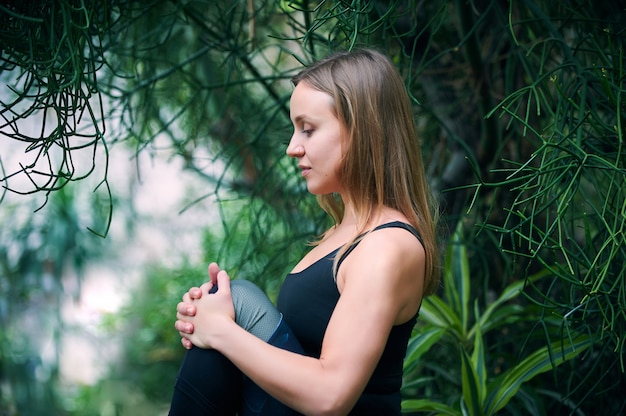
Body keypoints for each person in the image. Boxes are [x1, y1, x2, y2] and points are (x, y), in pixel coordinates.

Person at [169, 48, 440, 415]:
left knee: (238, 303)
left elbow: (330, 395)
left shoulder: (388, 246)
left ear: (361, 130)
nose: (292, 148)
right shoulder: (342, 235)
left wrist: (220, 331)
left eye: (308, 130)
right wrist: (211, 315)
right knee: (235, 298)